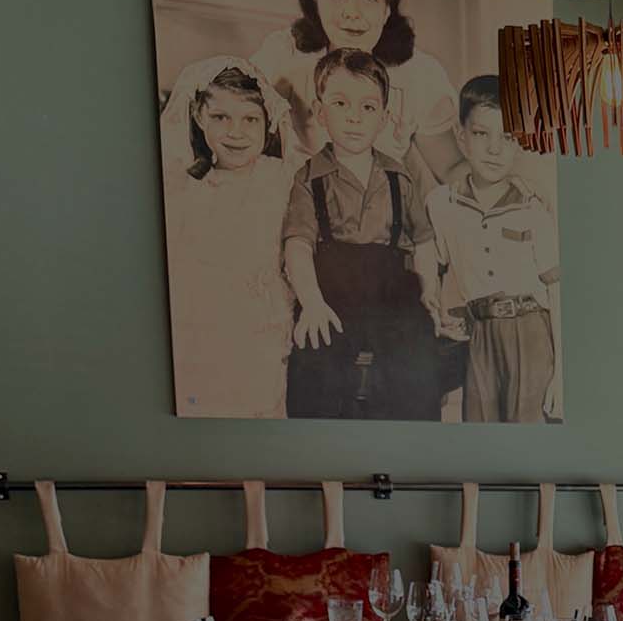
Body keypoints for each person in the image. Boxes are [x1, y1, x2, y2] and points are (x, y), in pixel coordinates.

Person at [282, 48, 444, 420]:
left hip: (391, 289)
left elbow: (423, 242)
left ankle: (409, 450)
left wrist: (431, 295)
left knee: (416, 358)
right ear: (320, 113)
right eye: (340, 103)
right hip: (331, 291)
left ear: (384, 118)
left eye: (368, 107)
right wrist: (311, 302)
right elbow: (298, 245)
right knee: (316, 358)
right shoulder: (307, 178)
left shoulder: (398, 176)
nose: (354, 117)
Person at [252, 0, 464, 185]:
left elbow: (451, 168)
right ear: (315, 1)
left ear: (387, 9)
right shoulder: (284, 53)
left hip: (379, 213)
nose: (352, 12)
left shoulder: (418, 75)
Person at [159, 56, 295, 418]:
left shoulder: (281, 179)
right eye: (221, 117)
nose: (236, 132)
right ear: (200, 116)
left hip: (262, 330)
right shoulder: (182, 189)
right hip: (204, 331)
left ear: (268, 124)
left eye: (250, 119)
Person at [423, 75, 562, 423]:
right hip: (480, 335)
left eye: (508, 137)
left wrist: (562, 371)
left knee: (528, 445)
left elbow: (556, 289)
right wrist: (437, 308)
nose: (495, 149)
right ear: (461, 136)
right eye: (482, 134)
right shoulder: (441, 204)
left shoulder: (533, 206)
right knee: (481, 440)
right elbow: (429, 264)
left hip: (530, 332)